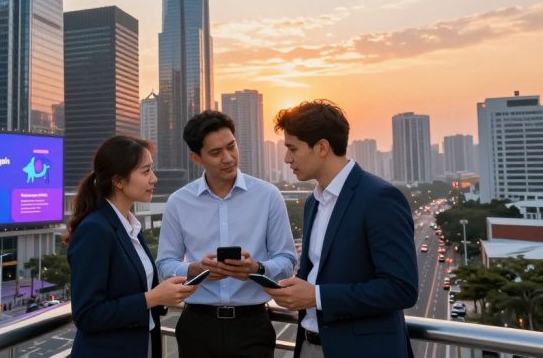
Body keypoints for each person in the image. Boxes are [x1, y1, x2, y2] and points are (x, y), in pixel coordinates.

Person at [263, 100, 418, 358]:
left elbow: (401, 288)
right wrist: (289, 289)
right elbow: (315, 275)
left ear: (322, 147)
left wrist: (318, 296)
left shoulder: (379, 198)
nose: (287, 159)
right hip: (309, 345)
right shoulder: (314, 202)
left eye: (293, 149)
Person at [157, 111, 297, 358]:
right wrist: (193, 270)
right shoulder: (178, 202)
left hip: (252, 326)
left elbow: (286, 260)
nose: (228, 158)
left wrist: (257, 269)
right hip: (197, 326)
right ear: (196, 158)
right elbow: (165, 264)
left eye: (231, 146)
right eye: (215, 153)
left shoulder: (267, 196)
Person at [67, 135, 197, 358]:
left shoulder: (129, 225)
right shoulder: (96, 229)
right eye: (145, 172)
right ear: (118, 181)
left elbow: (136, 290)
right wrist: (153, 298)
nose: (154, 179)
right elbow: (87, 314)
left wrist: (170, 292)